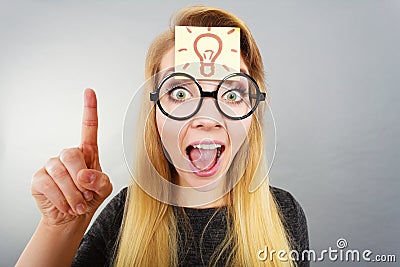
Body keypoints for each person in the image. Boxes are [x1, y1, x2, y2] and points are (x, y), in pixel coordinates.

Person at [17, 5, 309, 267]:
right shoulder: (124, 216)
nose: (207, 118)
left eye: (232, 93)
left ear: (253, 114)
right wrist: (59, 228)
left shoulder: (284, 214)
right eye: (180, 92)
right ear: (154, 113)